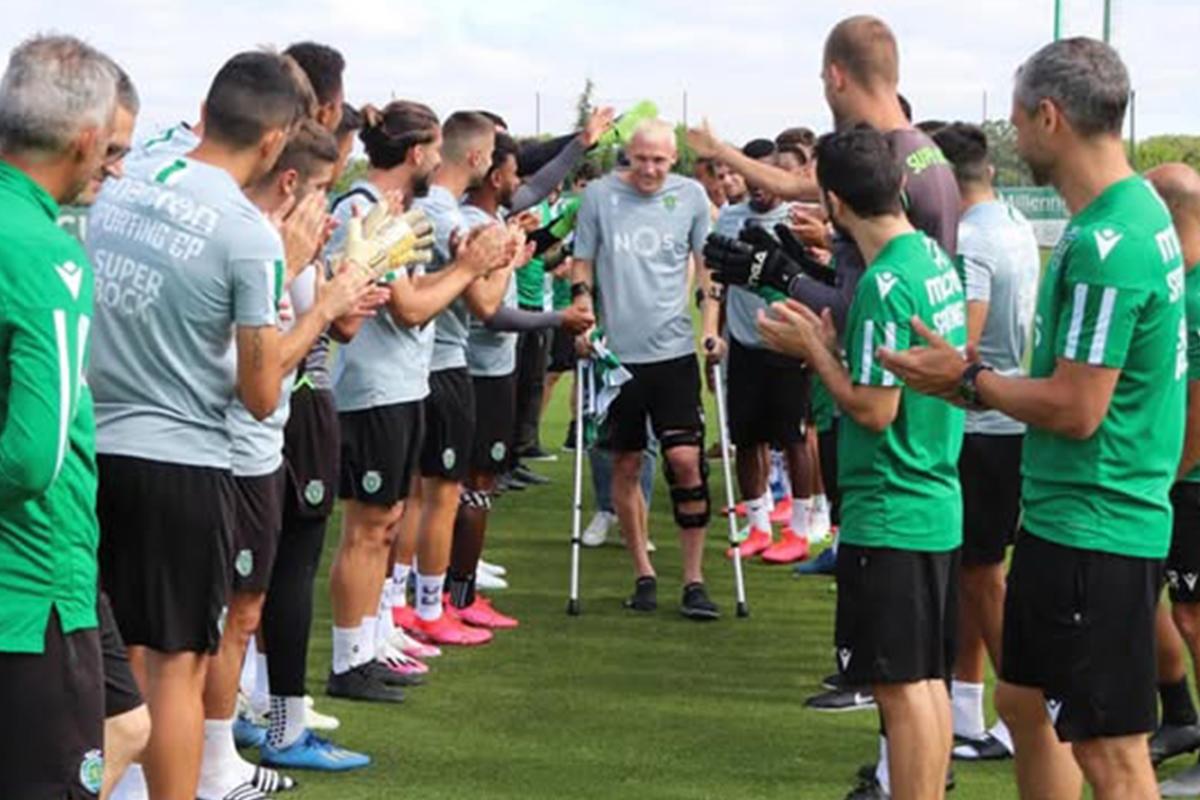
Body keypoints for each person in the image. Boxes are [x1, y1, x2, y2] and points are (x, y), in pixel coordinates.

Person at [880, 38, 1185, 800]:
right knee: (1023, 702)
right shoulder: (1125, 214)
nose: (1013, 136)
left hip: (1096, 523)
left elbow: (1079, 409)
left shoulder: (1112, 243)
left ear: (1050, 117)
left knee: (1112, 754)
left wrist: (968, 380)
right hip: (1072, 516)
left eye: (1018, 118)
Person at [86, 51, 310, 799]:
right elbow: (258, 392)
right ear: (277, 141)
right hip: (180, 466)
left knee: (99, 656)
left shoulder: (122, 181)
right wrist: (329, 305)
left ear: (205, 113)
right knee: (175, 667)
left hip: (88, 447)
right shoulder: (249, 234)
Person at [757, 126, 967, 800]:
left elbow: (874, 412)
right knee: (924, 682)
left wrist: (813, 351)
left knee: (900, 691)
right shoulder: (933, 259)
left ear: (835, 203)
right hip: (933, 500)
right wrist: (831, 345)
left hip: (892, 507)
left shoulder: (885, 282)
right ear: (900, 188)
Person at [326, 102, 509, 692]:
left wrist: (460, 267)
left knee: (388, 521)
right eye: (433, 149)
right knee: (367, 527)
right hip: (374, 388)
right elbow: (408, 310)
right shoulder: (359, 209)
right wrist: (468, 269)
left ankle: (373, 641)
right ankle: (349, 660)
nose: (439, 160)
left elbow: (413, 291)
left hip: (403, 384)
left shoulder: (388, 209)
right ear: (414, 154)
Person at [0, 33, 117, 800]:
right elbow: (32, 458)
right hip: (32, 590)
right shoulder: (47, 254)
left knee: (131, 724)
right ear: (85, 139)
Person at [571, 119, 720, 620]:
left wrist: (711, 326)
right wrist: (582, 309)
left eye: (660, 160)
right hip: (618, 356)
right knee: (627, 463)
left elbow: (708, 270)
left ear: (672, 158)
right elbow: (582, 262)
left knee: (684, 460)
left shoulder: (692, 196)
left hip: (674, 352)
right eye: (642, 159)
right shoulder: (598, 197)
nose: (651, 169)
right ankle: (644, 573)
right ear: (628, 156)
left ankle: (695, 579)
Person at [54, 58, 155, 800]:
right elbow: (26, 454)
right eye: (112, 150)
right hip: (37, 549)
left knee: (123, 727)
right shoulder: (33, 241)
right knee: (116, 729)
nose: (118, 170)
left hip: (69, 529)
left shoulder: (69, 229)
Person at [450, 132, 593, 627]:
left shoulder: (490, 218)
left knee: (474, 484)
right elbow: (491, 313)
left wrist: (582, 144)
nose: (522, 184)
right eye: (513, 174)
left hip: (487, 368)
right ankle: (456, 595)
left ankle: (457, 582)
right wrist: (559, 320)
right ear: (494, 176)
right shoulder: (474, 224)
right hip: (475, 370)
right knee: (472, 484)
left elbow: (537, 190)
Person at [931, 121, 1039, 763]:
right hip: (1005, 419)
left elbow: (962, 346)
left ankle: (1023, 714)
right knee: (975, 573)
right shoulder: (1016, 222)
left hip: (982, 423)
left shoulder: (969, 237)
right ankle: (966, 707)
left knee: (983, 579)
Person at [408, 111, 514, 646]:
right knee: (440, 495)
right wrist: (509, 256)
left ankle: (402, 610)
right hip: (442, 363)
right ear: (475, 157)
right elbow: (487, 303)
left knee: (414, 499)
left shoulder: (427, 206)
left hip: (422, 366)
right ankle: (431, 606)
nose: (494, 163)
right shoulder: (446, 214)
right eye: (492, 154)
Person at [711, 140, 818, 566]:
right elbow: (718, 283)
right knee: (747, 438)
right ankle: (757, 525)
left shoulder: (797, 219)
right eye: (751, 178)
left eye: (765, 179)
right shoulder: (730, 219)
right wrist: (715, 334)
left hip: (789, 344)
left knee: (793, 438)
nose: (757, 188)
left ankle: (800, 528)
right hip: (744, 344)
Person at [1147, 162, 1200, 798]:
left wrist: (1166, 477)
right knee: (1159, 601)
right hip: (1170, 477)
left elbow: (1197, 411)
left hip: (1189, 481)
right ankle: (1181, 717)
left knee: (1191, 612)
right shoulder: (1176, 281)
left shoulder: (1193, 297)